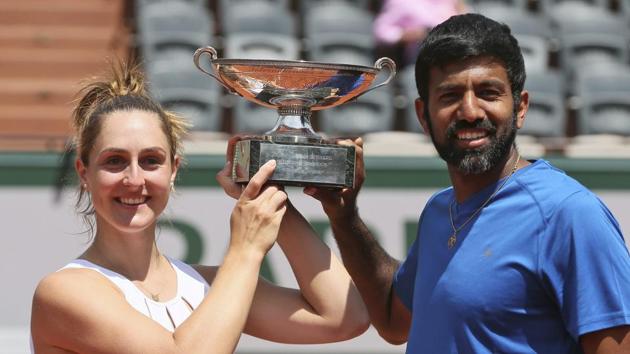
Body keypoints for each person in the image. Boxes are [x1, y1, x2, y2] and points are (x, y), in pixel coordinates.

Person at [305, 13, 630, 353]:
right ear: (423, 115)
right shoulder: (439, 211)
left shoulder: (570, 215)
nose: (470, 111)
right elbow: (392, 320)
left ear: (520, 107)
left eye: (489, 93)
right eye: (449, 96)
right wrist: (344, 216)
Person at [30, 62, 369, 353]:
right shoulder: (64, 291)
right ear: (83, 173)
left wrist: (266, 190)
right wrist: (245, 250)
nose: (135, 179)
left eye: (151, 160)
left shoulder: (201, 284)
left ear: (173, 169)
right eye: (115, 161)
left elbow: (344, 317)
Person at [373, 0, 467, 68]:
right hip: (421, 54)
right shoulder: (399, 2)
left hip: (456, 51)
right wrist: (406, 35)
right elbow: (381, 30)